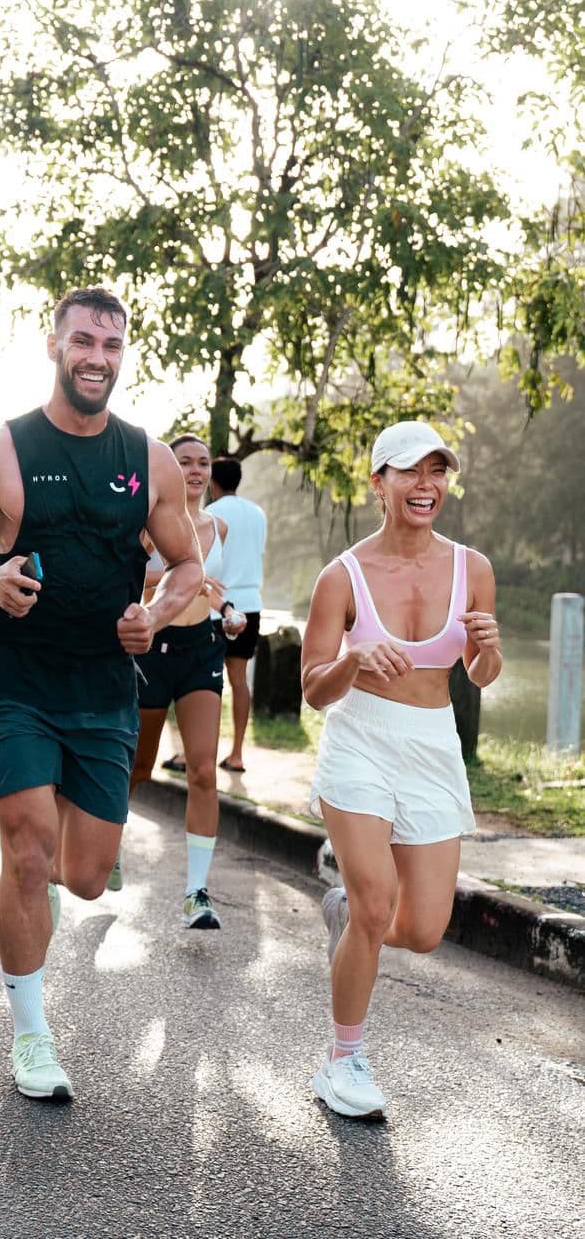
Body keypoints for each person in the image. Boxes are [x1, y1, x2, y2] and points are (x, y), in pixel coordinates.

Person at [0, 286, 202, 1102]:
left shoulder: (145, 457)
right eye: (83, 341)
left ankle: (68, 884)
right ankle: (32, 1034)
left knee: (84, 874)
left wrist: (155, 613)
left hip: (105, 685)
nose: (97, 359)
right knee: (30, 852)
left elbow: (188, 567)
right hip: (15, 680)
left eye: (111, 347)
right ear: (54, 346)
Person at [300, 420, 502, 1120]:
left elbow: (479, 672)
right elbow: (313, 687)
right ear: (378, 483)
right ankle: (343, 1061)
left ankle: (345, 914)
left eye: (437, 472)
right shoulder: (342, 576)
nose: (427, 486)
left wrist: (488, 650)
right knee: (379, 904)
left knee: (421, 931)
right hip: (359, 739)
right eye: (411, 472)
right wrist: (352, 661)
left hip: (432, 745)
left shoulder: (472, 568)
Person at [119, 434, 246, 924]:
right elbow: (127, 579)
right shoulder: (148, 524)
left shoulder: (220, 527)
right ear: (169, 469)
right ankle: (108, 841)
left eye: (202, 463)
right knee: (140, 768)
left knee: (203, 770)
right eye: (184, 462)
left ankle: (197, 892)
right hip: (152, 649)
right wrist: (169, 579)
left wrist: (229, 610)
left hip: (201, 651)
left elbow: (211, 589)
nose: (195, 470)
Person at [207, 455, 267, 772]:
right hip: (251, 604)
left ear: (211, 481)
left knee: (208, 683)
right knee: (240, 681)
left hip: (216, 603)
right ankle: (237, 753)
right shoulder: (258, 514)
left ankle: (197, 753)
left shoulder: (209, 514)